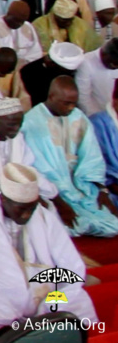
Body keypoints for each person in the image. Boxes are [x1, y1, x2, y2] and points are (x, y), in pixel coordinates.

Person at [0, 163, 97, 335]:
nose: (26, 215)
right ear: (3, 200)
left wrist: (50, 302)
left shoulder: (43, 216)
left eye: (31, 209)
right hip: (1, 296)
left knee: (78, 300)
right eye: (21, 209)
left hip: (45, 294)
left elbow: (71, 266)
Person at [23, 76, 118, 236]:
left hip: (82, 187)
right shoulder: (31, 123)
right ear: (52, 96)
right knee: (65, 226)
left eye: (74, 103)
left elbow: (91, 156)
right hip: (53, 192)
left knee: (112, 224)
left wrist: (102, 191)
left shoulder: (78, 117)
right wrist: (59, 202)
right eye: (66, 103)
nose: (71, 108)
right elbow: (36, 169)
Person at [33, 0, 99, 54]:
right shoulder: (39, 25)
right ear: (55, 16)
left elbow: (94, 47)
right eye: (64, 21)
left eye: (70, 20)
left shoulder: (81, 25)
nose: (68, 23)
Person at [75, 38, 118, 116]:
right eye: (113, 65)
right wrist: (98, 118)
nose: (115, 68)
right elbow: (83, 98)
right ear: (103, 54)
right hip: (96, 115)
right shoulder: (86, 62)